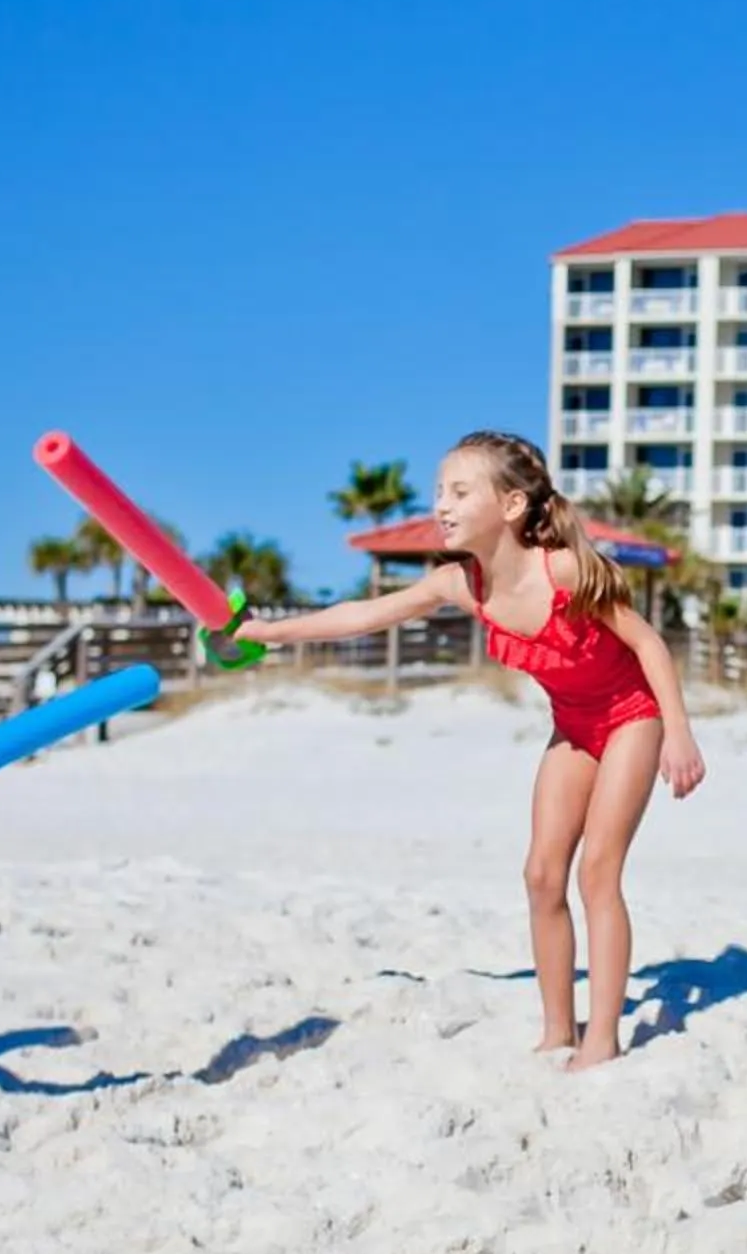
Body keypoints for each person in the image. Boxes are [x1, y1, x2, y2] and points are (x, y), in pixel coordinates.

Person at [242, 432, 703, 1070]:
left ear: (512, 505)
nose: (442, 505)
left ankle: (603, 1037)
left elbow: (648, 644)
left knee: (597, 871)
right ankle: (558, 1030)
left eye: (460, 492)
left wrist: (679, 732)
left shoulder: (564, 570)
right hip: (573, 727)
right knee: (541, 875)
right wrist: (270, 632)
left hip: (633, 716)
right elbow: (362, 615)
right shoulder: (460, 583)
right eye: (440, 492)